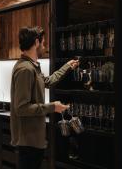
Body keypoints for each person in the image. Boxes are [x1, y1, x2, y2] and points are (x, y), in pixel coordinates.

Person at [10, 27, 79, 169]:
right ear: (36, 42)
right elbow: (21, 108)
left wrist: (66, 67)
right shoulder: (25, 69)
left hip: (34, 139)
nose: (45, 47)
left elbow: (47, 81)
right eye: (44, 43)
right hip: (28, 141)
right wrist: (52, 106)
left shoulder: (32, 66)